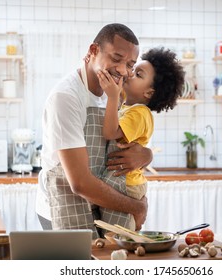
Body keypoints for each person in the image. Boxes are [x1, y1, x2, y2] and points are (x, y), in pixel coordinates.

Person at [36, 23, 152, 239]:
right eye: (116, 58)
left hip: (101, 203)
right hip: (64, 204)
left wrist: (146, 155)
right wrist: (137, 208)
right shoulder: (67, 97)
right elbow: (79, 182)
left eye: (130, 64)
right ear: (93, 51)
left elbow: (127, 140)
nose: (122, 70)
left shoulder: (116, 94)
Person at [97, 47, 185, 230]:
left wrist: (113, 96)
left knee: (119, 235)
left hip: (126, 185)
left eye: (138, 74)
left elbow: (110, 133)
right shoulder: (127, 106)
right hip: (121, 181)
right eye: (133, 69)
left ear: (149, 93)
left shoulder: (140, 113)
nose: (129, 74)